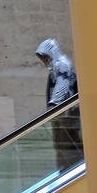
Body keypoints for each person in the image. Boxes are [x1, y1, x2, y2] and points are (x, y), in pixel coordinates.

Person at [35, 38, 82, 171]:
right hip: (63, 118)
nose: (45, 60)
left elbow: (61, 88)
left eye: (45, 56)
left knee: (69, 148)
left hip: (68, 117)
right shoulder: (55, 68)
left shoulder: (62, 65)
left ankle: (70, 169)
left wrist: (54, 105)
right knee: (62, 149)